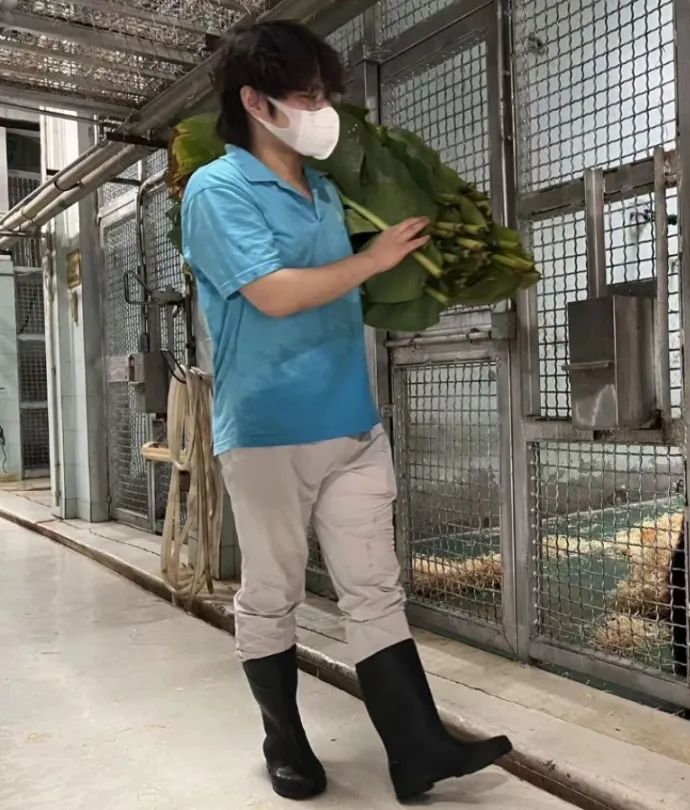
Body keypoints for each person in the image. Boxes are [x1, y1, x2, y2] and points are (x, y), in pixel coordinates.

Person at [180, 20, 511, 803]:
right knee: (274, 591)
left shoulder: (327, 192)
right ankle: (284, 739)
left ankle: (417, 749)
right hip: (269, 431)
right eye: (305, 97)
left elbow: (349, 292)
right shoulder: (217, 190)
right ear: (255, 103)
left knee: (374, 587)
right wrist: (373, 260)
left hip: (352, 422)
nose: (321, 110)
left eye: (324, 94)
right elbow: (272, 293)